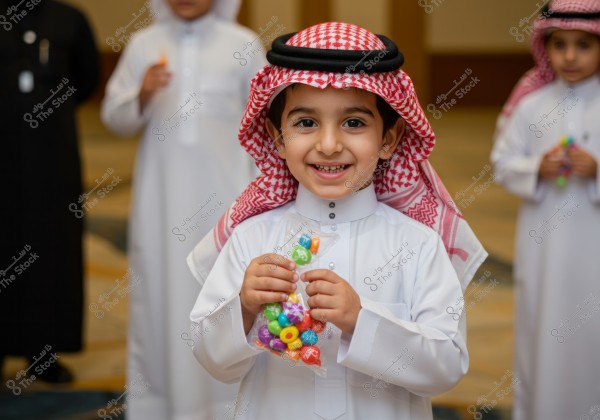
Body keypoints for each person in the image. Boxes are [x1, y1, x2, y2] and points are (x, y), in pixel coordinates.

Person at [186, 22, 488, 419]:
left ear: (389, 140)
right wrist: (243, 307)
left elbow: (446, 366)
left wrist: (361, 322)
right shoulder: (251, 238)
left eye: (354, 123)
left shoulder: (418, 244)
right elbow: (213, 362)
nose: (329, 145)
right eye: (306, 123)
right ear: (277, 138)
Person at [101, 0, 265, 418]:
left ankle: (229, 407)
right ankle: (160, 405)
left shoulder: (243, 44)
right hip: (161, 206)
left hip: (227, 202)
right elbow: (114, 119)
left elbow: (268, 121)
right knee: (161, 295)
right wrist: (142, 92)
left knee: (227, 294)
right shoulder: (144, 44)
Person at [491, 1, 600, 419]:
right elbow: (502, 163)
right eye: (560, 45)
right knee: (544, 331)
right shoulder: (532, 103)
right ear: (545, 46)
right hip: (544, 245)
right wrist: (538, 167)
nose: (569, 56)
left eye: (583, 45)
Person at [0, 0, 99, 384]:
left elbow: (86, 80)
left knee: (51, 247)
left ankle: (45, 353)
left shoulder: (69, 19)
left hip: (52, 158)